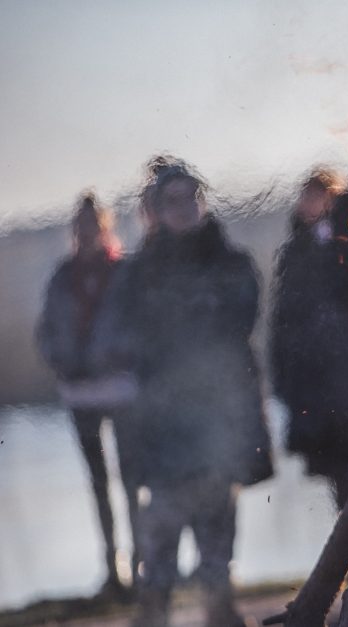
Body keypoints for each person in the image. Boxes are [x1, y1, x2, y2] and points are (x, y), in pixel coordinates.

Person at [91, 160, 273, 627]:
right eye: (172, 200)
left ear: (202, 201)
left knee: (217, 529)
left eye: (191, 197)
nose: (184, 208)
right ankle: (153, 615)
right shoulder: (137, 275)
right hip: (162, 426)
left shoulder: (231, 262)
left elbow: (239, 321)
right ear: (155, 210)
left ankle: (220, 612)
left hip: (220, 420)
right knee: (162, 532)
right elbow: (117, 338)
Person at [270, 165, 348, 508]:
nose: (313, 203)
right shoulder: (295, 249)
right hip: (316, 379)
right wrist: (283, 379)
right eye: (308, 196)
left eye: (321, 195)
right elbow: (283, 317)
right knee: (340, 477)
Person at [36, 192, 134, 599]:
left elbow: (140, 325)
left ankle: (144, 564)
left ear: (106, 228)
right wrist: (63, 362)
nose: (88, 232)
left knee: (132, 479)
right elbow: (46, 332)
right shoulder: (63, 276)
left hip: (122, 390)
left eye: (94, 225)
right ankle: (113, 570)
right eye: (81, 226)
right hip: (80, 395)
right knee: (98, 483)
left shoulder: (124, 272)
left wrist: (116, 356)